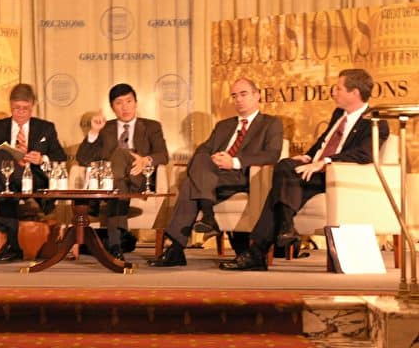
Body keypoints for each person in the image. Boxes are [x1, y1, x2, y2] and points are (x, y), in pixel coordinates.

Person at [221, 68, 390, 271]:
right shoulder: (339, 114)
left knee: (281, 184)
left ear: (354, 93)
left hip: (336, 178)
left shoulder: (375, 122)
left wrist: (325, 162)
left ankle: (263, 248)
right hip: (314, 172)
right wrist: (308, 157)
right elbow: (324, 141)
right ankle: (282, 232)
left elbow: (364, 154)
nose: (333, 92)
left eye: (338, 88)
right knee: (285, 168)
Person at [148, 78, 283, 267]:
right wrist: (213, 159)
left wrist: (233, 162)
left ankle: (178, 246)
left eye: (243, 94)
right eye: (234, 96)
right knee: (201, 158)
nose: (238, 100)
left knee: (191, 184)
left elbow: (272, 154)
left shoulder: (271, 123)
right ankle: (206, 218)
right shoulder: (224, 125)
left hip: (242, 176)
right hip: (213, 176)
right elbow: (204, 149)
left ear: (257, 95)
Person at [0, 84, 66, 263]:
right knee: (3, 157)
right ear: (10, 105)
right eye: (16, 108)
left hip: (32, 178)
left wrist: (41, 159)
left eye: (25, 109)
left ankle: (9, 243)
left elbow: (61, 157)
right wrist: (1, 155)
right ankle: (35, 201)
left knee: (8, 182)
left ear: (33, 106)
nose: (20, 113)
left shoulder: (45, 128)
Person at [76, 83, 169, 260]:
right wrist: (94, 132)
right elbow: (82, 158)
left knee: (120, 153)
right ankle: (115, 245)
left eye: (129, 101)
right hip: (116, 184)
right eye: (119, 103)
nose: (125, 107)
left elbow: (163, 155)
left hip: (139, 179)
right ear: (112, 107)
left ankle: (94, 203)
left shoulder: (151, 126)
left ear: (136, 103)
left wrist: (144, 160)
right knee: (119, 185)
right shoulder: (105, 128)